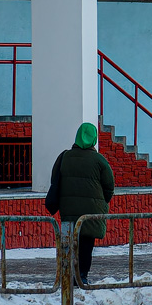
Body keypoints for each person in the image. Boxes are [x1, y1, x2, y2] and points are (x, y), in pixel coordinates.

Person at [48, 122, 115, 286]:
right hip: (91, 212)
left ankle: (68, 275)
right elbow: (109, 187)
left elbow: (54, 180)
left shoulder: (65, 156)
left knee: (71, 243)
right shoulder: (99, 160)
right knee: (86, 245)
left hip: (68, 208)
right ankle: (82, 276)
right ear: (94, 138)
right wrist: (100, 202)